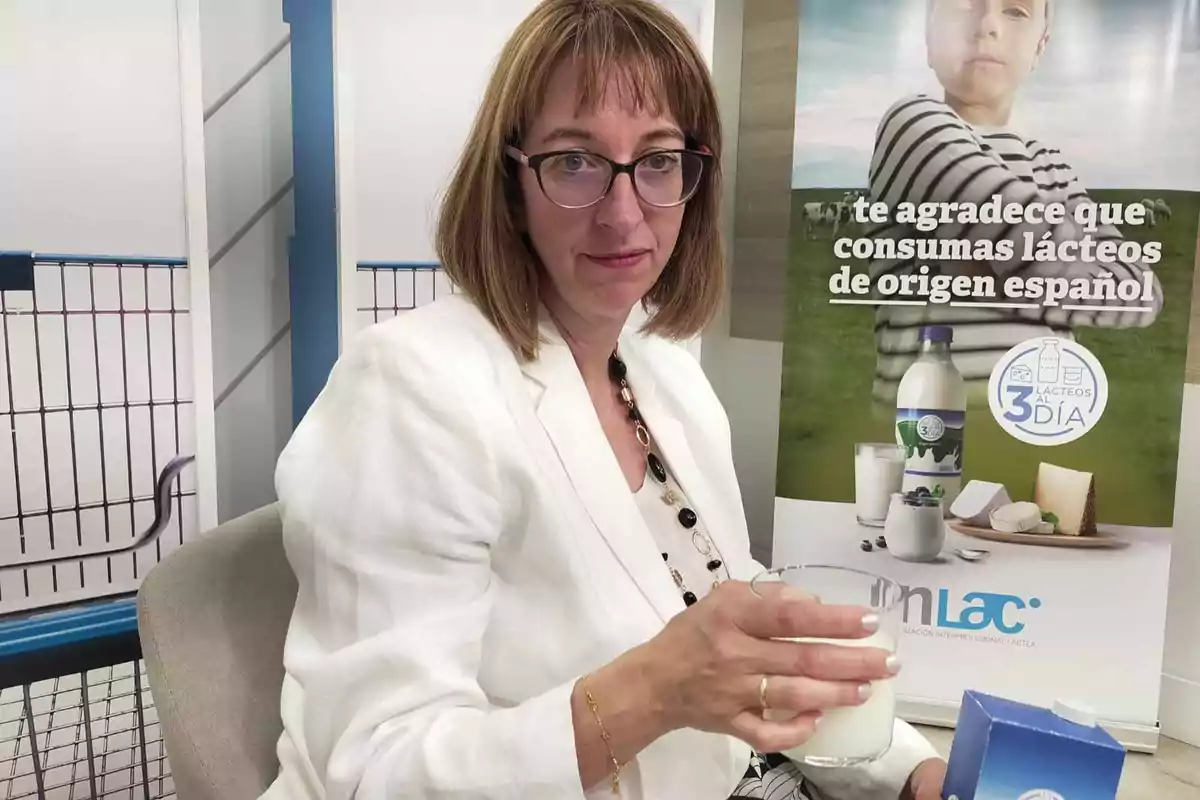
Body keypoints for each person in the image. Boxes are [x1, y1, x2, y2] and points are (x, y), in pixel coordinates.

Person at [260, 1, 946, 798]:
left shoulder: (663, 370)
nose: (624, 213)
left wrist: (911, 768)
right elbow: (375, 769)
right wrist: (657, 688)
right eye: (575, 162)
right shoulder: (412, 389)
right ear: (510, 182)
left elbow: (726, 590)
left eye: (657, 161)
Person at [866, 0, 1163, 403]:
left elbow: (1141, 291)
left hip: (1043, 428)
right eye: (961, 7)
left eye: (1016, 12)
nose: (986, 24)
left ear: (1040, 46)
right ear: (928, 38)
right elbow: (1035, 254)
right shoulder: (912, 125)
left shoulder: (1052, 164)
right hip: (924, 424)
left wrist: (982, 269)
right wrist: (1060, 257)